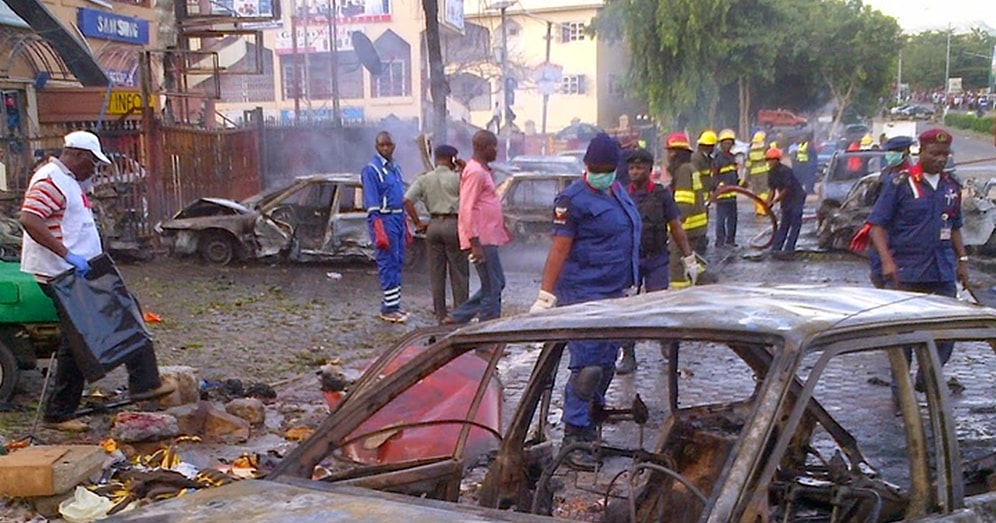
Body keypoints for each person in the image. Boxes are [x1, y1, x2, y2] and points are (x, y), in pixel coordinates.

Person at [19, 131, 172, 432]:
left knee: (79, 338)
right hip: (64, 273)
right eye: (92, 163)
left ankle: (62, 411)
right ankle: (143, 383)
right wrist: (67, 254)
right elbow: (29, 219)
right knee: (118, 314)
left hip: (79, 269)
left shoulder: (68, 179)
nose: (94, 169)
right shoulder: (51, 179)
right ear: (77, 155)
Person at [528, 132, 641, 470]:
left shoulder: (618, 192)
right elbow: (559, 249)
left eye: (606, 168)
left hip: (615, 292)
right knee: (588, 366)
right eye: (595, 168)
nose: (600, 173)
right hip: (583, 293)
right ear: (586, 166)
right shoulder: (572, 201)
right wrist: (546, 295)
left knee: (606, 364)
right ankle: (574, 436)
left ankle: (590, 423)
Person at [868, 128, 968, 391]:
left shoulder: (951, 187)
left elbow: (955, 226)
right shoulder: (900, 184)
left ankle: (926, 376)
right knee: (902, 340)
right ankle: (901, 398)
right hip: (906, 272)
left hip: (941, 270)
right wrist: (886, 261)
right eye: (934, 153)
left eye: (945, 154)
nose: (940, 159)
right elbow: (877, 226)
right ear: (920, 152)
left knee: (948, 331)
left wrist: (963, 260)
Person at [616, 148, 696, 375]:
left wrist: (688, 256)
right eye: (631, 168)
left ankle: (666, 346)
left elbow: (676, 226)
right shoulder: (622, 194)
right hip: (631, 260)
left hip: (657, 258)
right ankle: (628, 354)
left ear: (650, 170)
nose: (634, 172)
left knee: (659, 303)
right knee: (627, 308)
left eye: (640, 168)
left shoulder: (661, 195)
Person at [446, 130, 510, 324]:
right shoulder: (475, 172)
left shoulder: (481, 170)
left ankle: (459, 316)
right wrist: (474, 242)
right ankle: (487, 336)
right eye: (494, 147)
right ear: (483, 148)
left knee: (496, 283)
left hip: (488, 236)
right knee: (493, 286)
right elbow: (466, 208)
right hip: (481, 239)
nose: (496, 151)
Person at [403, 144, 470, 323]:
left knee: (436, 274)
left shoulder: (425, 178)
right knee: (459, 273)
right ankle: (460, 315)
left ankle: (440, 315)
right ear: (452, 159)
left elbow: (407, 200)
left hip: (433, 226)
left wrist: (417, 222)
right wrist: (464, 168)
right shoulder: (459, 178)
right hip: (453, 225)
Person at [362, 131, 409, 323]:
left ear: (394, 146)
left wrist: (405, 222)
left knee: (397, 262)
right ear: (377, 147)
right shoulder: (371, 170)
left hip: (398, 217)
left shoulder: (396, 169)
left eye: (388, 145)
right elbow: (372, 202)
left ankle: (394, 304)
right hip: (384, 218)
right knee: (387, 262)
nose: (386, 148)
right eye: (382, 145)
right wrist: (378, 226)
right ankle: (389, 309)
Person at [665, 132, 707, 289]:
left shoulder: (683, 170)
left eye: (670, 151)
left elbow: (684, 203)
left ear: (676, 153)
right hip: (696, 226)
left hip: (687, 228)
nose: (668, 155)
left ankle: (680, 296)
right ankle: (701, 279)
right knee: (691, 258)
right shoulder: (690, 168)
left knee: (676, 264)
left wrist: (673, 227)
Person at [765, 148, 805, 257]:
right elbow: (772, 190)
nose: (770, 162)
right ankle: (776, 248)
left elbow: (787, 188)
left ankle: (789, 249)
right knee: (784, 224)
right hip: (786, 200)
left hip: (796, 197)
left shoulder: (785, 171)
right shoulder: (771, 173)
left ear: (778, 160)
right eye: (768, 160)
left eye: (772, 160)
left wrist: (775, 201)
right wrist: (768, 202)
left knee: (795, 222)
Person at [712, 129, 740, 247]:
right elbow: (714, 176)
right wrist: (717, 187)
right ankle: (720, 242)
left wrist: (741, 183)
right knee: (721, 220)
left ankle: (731, 241)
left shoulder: (732, 158)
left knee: (733, 220)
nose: (728, 145)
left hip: (732, 195)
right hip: (722, 195)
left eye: (730, 143)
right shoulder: (718, 159)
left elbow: (734, 175)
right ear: (721, 144)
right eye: (725, 143)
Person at [745, 131, 770, 215]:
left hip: (753, 174)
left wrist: (746, 177)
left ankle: (758, 210)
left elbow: (748, 165)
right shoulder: (765, 148)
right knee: (764, 192)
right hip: (764, 173)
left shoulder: (750, 150)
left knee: (756, 192)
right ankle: (763, 209)